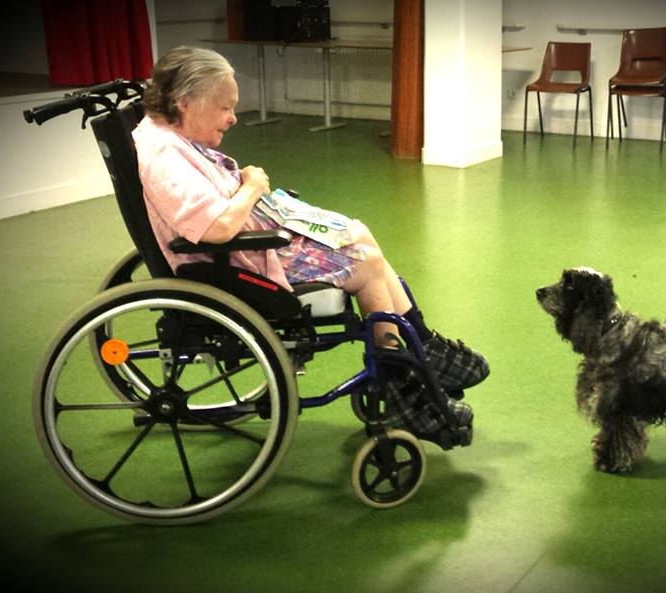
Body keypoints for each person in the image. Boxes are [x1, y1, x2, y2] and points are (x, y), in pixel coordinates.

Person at [132, 46, 487, 437]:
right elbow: (216, 230)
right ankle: (401, 380)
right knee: (366, 264)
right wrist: (251, 187)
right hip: (238, 261)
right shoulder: (165, 157)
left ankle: (420, 347)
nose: (233, 118)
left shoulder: (165, 136)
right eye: (224, 108)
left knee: (358, 231)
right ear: (185, 102)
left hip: (247, 246)